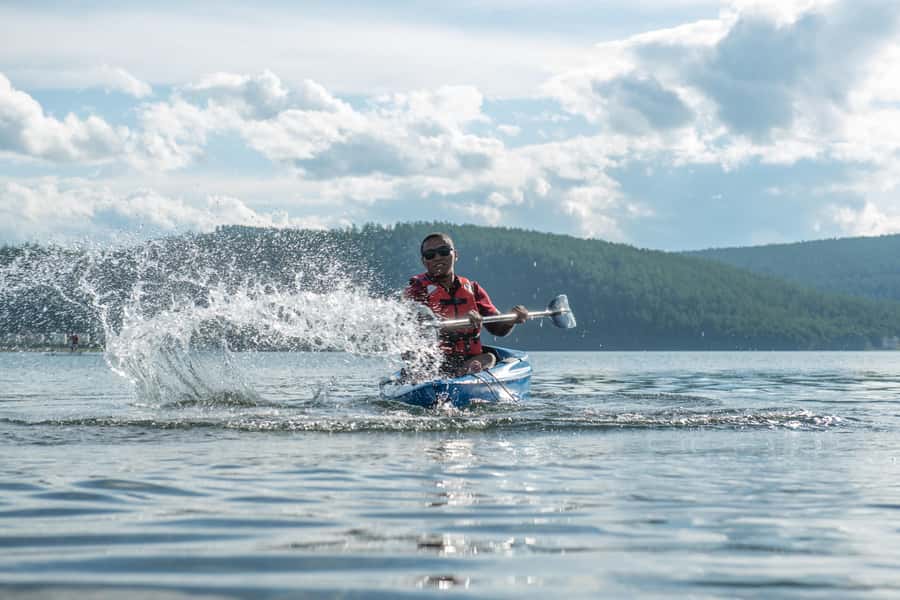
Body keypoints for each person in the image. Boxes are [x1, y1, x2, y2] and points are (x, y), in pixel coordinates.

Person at [405, 232, 528, 376]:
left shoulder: (473, 289)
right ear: (424, 261)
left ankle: (464, 373)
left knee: (489, 357)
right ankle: (455, 375)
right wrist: (458, 324)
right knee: (423, 360)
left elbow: (497, 329)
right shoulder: (416, 290)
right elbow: (412, 329)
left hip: (467, 359)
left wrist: (511, 319)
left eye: (444, 252)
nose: (438, 257)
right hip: (432, 360)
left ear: (455, 255)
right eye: (430, 255)